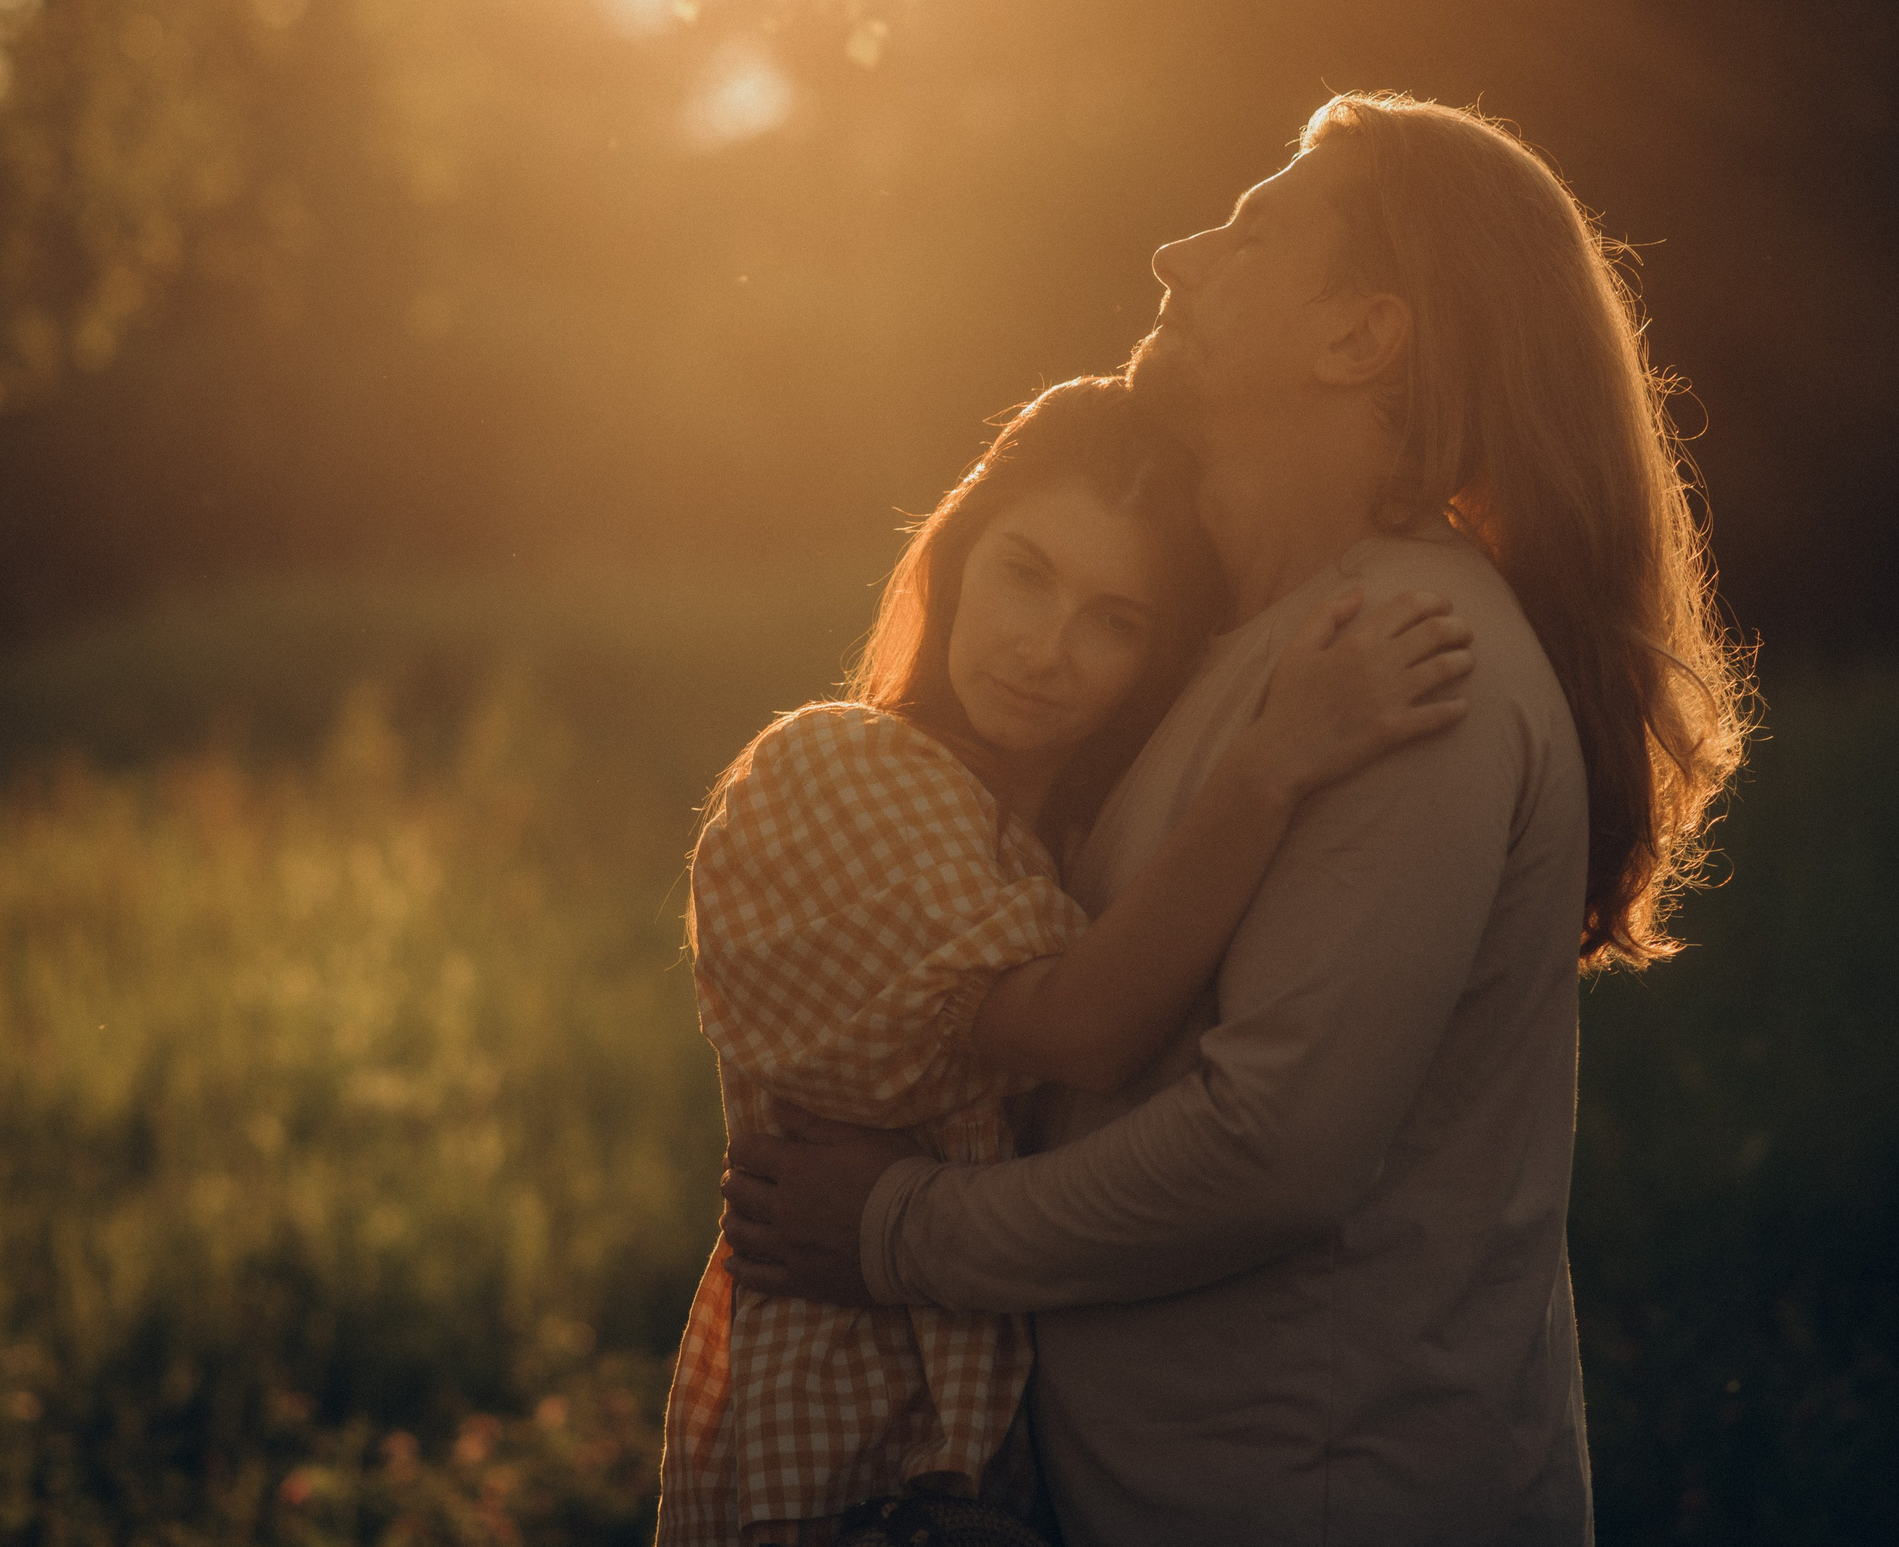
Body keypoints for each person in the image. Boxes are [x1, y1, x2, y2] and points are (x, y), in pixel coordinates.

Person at [717, 94, 1753, 1546]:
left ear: (1358, 337)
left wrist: (896, 1231)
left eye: (1252, 232)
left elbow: (1268, 1149)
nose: (1175, 255)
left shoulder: (1409, 661)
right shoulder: (1259, 638)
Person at [655, 376, 1480, 1547]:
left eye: (1114, 621)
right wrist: (1276, 757)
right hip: (858, 1465)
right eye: (1023, 573)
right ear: (958, 558)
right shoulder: (836, 768)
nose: (1044, 651)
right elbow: (1077, 1028)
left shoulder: (1074, 848)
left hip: (1011, 1472)